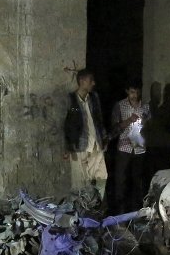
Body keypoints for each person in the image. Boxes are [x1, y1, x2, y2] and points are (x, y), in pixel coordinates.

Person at [63, 68, 108, 197]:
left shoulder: (94, 98)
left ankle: (95, 205)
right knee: (79, 183)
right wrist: (67, 147)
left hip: (95, 144)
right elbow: (66, 124)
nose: (93, 83)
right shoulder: (71, 99)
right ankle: (81, 211)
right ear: (82, 81)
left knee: (101, 177)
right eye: (90, 80)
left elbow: (99, 119)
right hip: (79, 146)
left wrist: (104, 138)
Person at [110, 79, 151, 213]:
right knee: (121, 181)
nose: (135, 95)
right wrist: (128, 120)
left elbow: (150, 127)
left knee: (137, 181)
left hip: (139, 149)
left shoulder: (145, 107)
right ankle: (121, 212)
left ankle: (136, 212)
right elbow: (114, 128)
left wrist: (145, 124)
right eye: (132, 92)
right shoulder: (120, 106)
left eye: (138, 92)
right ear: (127, 91)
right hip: (124, 149)